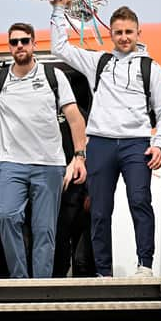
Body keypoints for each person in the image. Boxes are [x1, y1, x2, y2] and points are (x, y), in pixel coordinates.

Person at [50, 0, 161, 277]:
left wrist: (158, 142)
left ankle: (145, 264)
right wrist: (58, 9)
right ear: (112, 35)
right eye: (118, 32)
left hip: (135, 144)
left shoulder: (151, 68)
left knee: (139, 202)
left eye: (129, 32)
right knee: (100, 211)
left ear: (138, 33)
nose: (124, 37)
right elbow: (60, 48)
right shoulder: (100, 62)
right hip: (102, 143)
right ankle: (103, 271)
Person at [0, 22, 87, 278]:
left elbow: (75, 119)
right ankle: (20, 281)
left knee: (44, 229)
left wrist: (79, 157)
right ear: (9, 46)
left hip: (49, 164)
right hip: (10, 163)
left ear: (33, 44)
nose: (20, 46)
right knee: (6, 216)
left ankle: (41, 286)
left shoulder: (54, 76)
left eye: (24, 41)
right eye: (14, 42)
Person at [53, 105, 96, 278]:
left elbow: (91, 150)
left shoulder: (80, 113)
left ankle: (87, 297)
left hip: (78, 189)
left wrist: (90, 192)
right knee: (59, 248)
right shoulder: (39, 108)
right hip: (52, 190)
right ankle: (55, 294)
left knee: (82, 258)